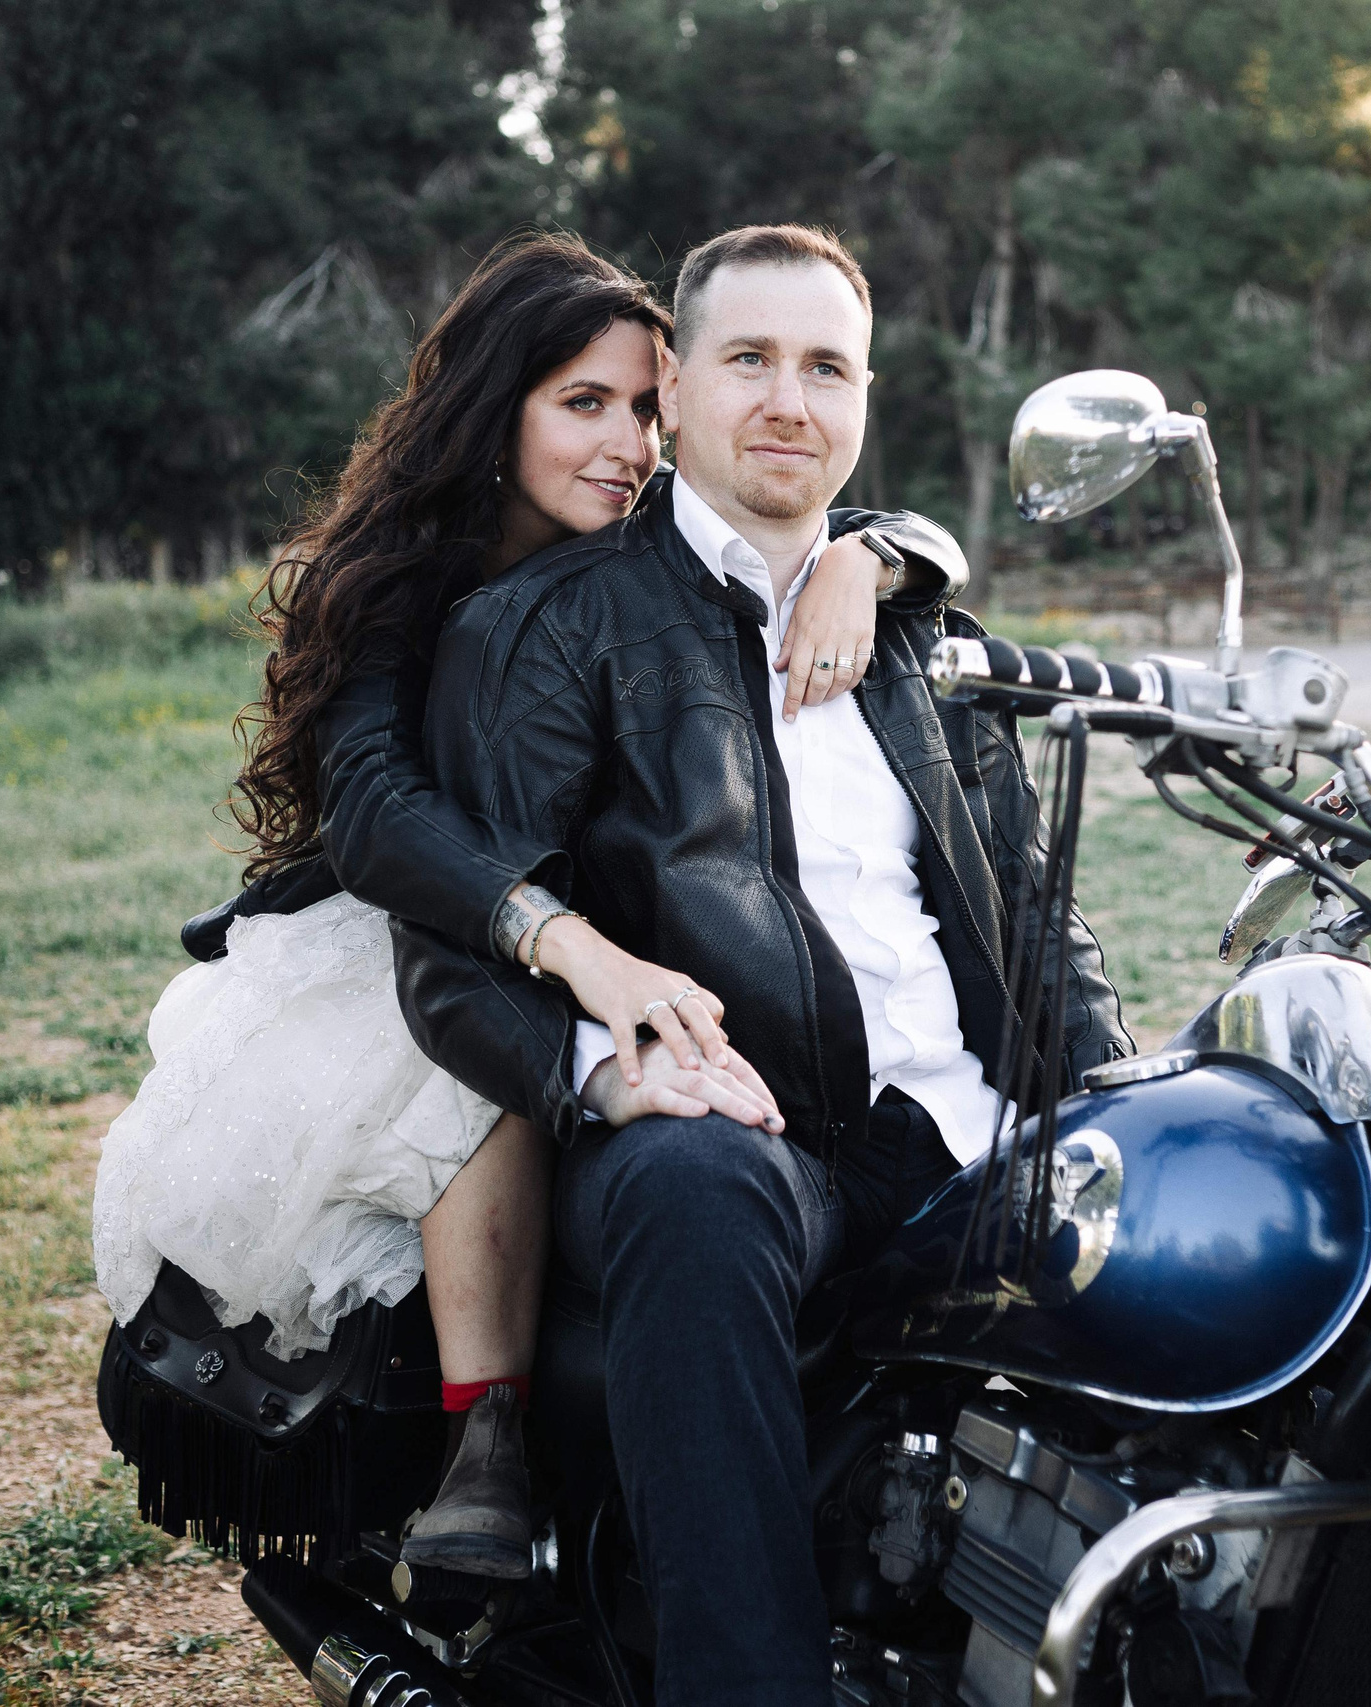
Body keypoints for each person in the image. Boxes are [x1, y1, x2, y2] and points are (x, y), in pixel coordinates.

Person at [90, 230, 969, 1580]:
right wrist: (565, 944)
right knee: (485, 1079)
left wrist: (873, 559)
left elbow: (842, 517)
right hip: (417, 903)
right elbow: (382, 811)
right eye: (582, 405)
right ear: (495, 409)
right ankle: (482, 1435)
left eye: (637, 407)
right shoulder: (404, 578)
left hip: (547, 891)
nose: (625, 446)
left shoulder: (637, 559)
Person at [395, 223, 1128, 1705]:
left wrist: (1116, 1097)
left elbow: (1038, 921)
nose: (789, 402)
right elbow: (457, 946)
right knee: (692, 1177)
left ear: (867, 396)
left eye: (826, 367)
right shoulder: (549, 627)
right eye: (749, 361)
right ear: (676, 388)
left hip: (965, 1135)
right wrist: (611, 1074)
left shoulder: (927, 630)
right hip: (750, 1146)